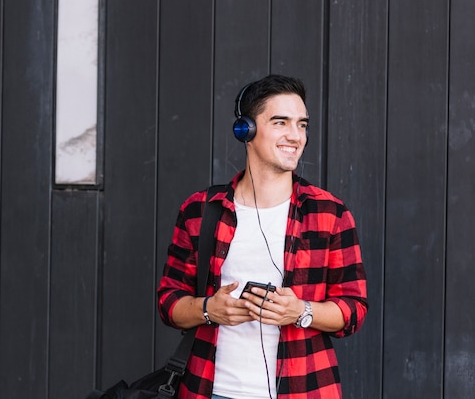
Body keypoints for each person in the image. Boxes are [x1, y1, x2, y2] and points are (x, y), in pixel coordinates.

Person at [157, 74, 368, 399]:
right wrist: (209, 309)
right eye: (281, 122)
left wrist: (300, 312)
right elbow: (168, 302)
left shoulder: (330, 213)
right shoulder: (201, 210)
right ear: (246, 131)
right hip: (211, 390)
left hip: (305, 391)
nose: (295, 136)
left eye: (302, 125)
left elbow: (354, 308)